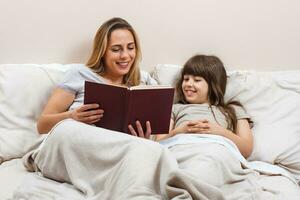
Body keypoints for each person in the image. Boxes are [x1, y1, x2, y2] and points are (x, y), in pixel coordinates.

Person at [20, 18, 223, 200]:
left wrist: (145, 139)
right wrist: (73, 116)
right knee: (71, 130)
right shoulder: (80, 74)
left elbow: (159, 136)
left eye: (130, 47)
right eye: (116, 49)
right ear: (103, 51)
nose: (125, 55)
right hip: (77, 139)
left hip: (121, 148)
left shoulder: (144, 81)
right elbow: (43, 124)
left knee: (150, 150)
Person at [155, 55, 260, 198]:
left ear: (213, 85)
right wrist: (180, 131)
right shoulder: (175, 108)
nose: (188, 84)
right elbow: (160, 142)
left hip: (215, 150)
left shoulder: (232, 110)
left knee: (207, 162)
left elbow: (247, 148)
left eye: (197, 80)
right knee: (169, 165)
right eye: (186, 79)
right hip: (181, 148)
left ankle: (185, 188)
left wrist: (219, 132)